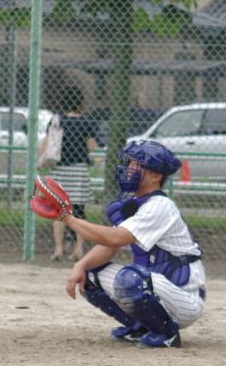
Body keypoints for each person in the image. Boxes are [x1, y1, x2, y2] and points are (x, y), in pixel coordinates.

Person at [60, 140, 204, 348]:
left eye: (137, 165)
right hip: (159, 287)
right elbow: (110, 246)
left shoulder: (160, 206)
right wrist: (80, 265)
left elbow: (115, 238)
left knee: (131, 279)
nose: (129, 168)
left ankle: (166, 334)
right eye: (129, 163)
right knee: (89, 275)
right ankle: (142, 328)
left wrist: (68, 219)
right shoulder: (138, 204)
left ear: (155, 176)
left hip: (183, 295)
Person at [39, 86, 98, 261]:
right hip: (78, 170)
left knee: (59, 210)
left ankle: (58, 249)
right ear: (80, 103)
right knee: (78, 211)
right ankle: (79, 249)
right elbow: (91, 147)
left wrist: (38, 161)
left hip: (59, 169)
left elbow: (47, 142)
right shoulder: (86, 122)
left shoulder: (57, 121)